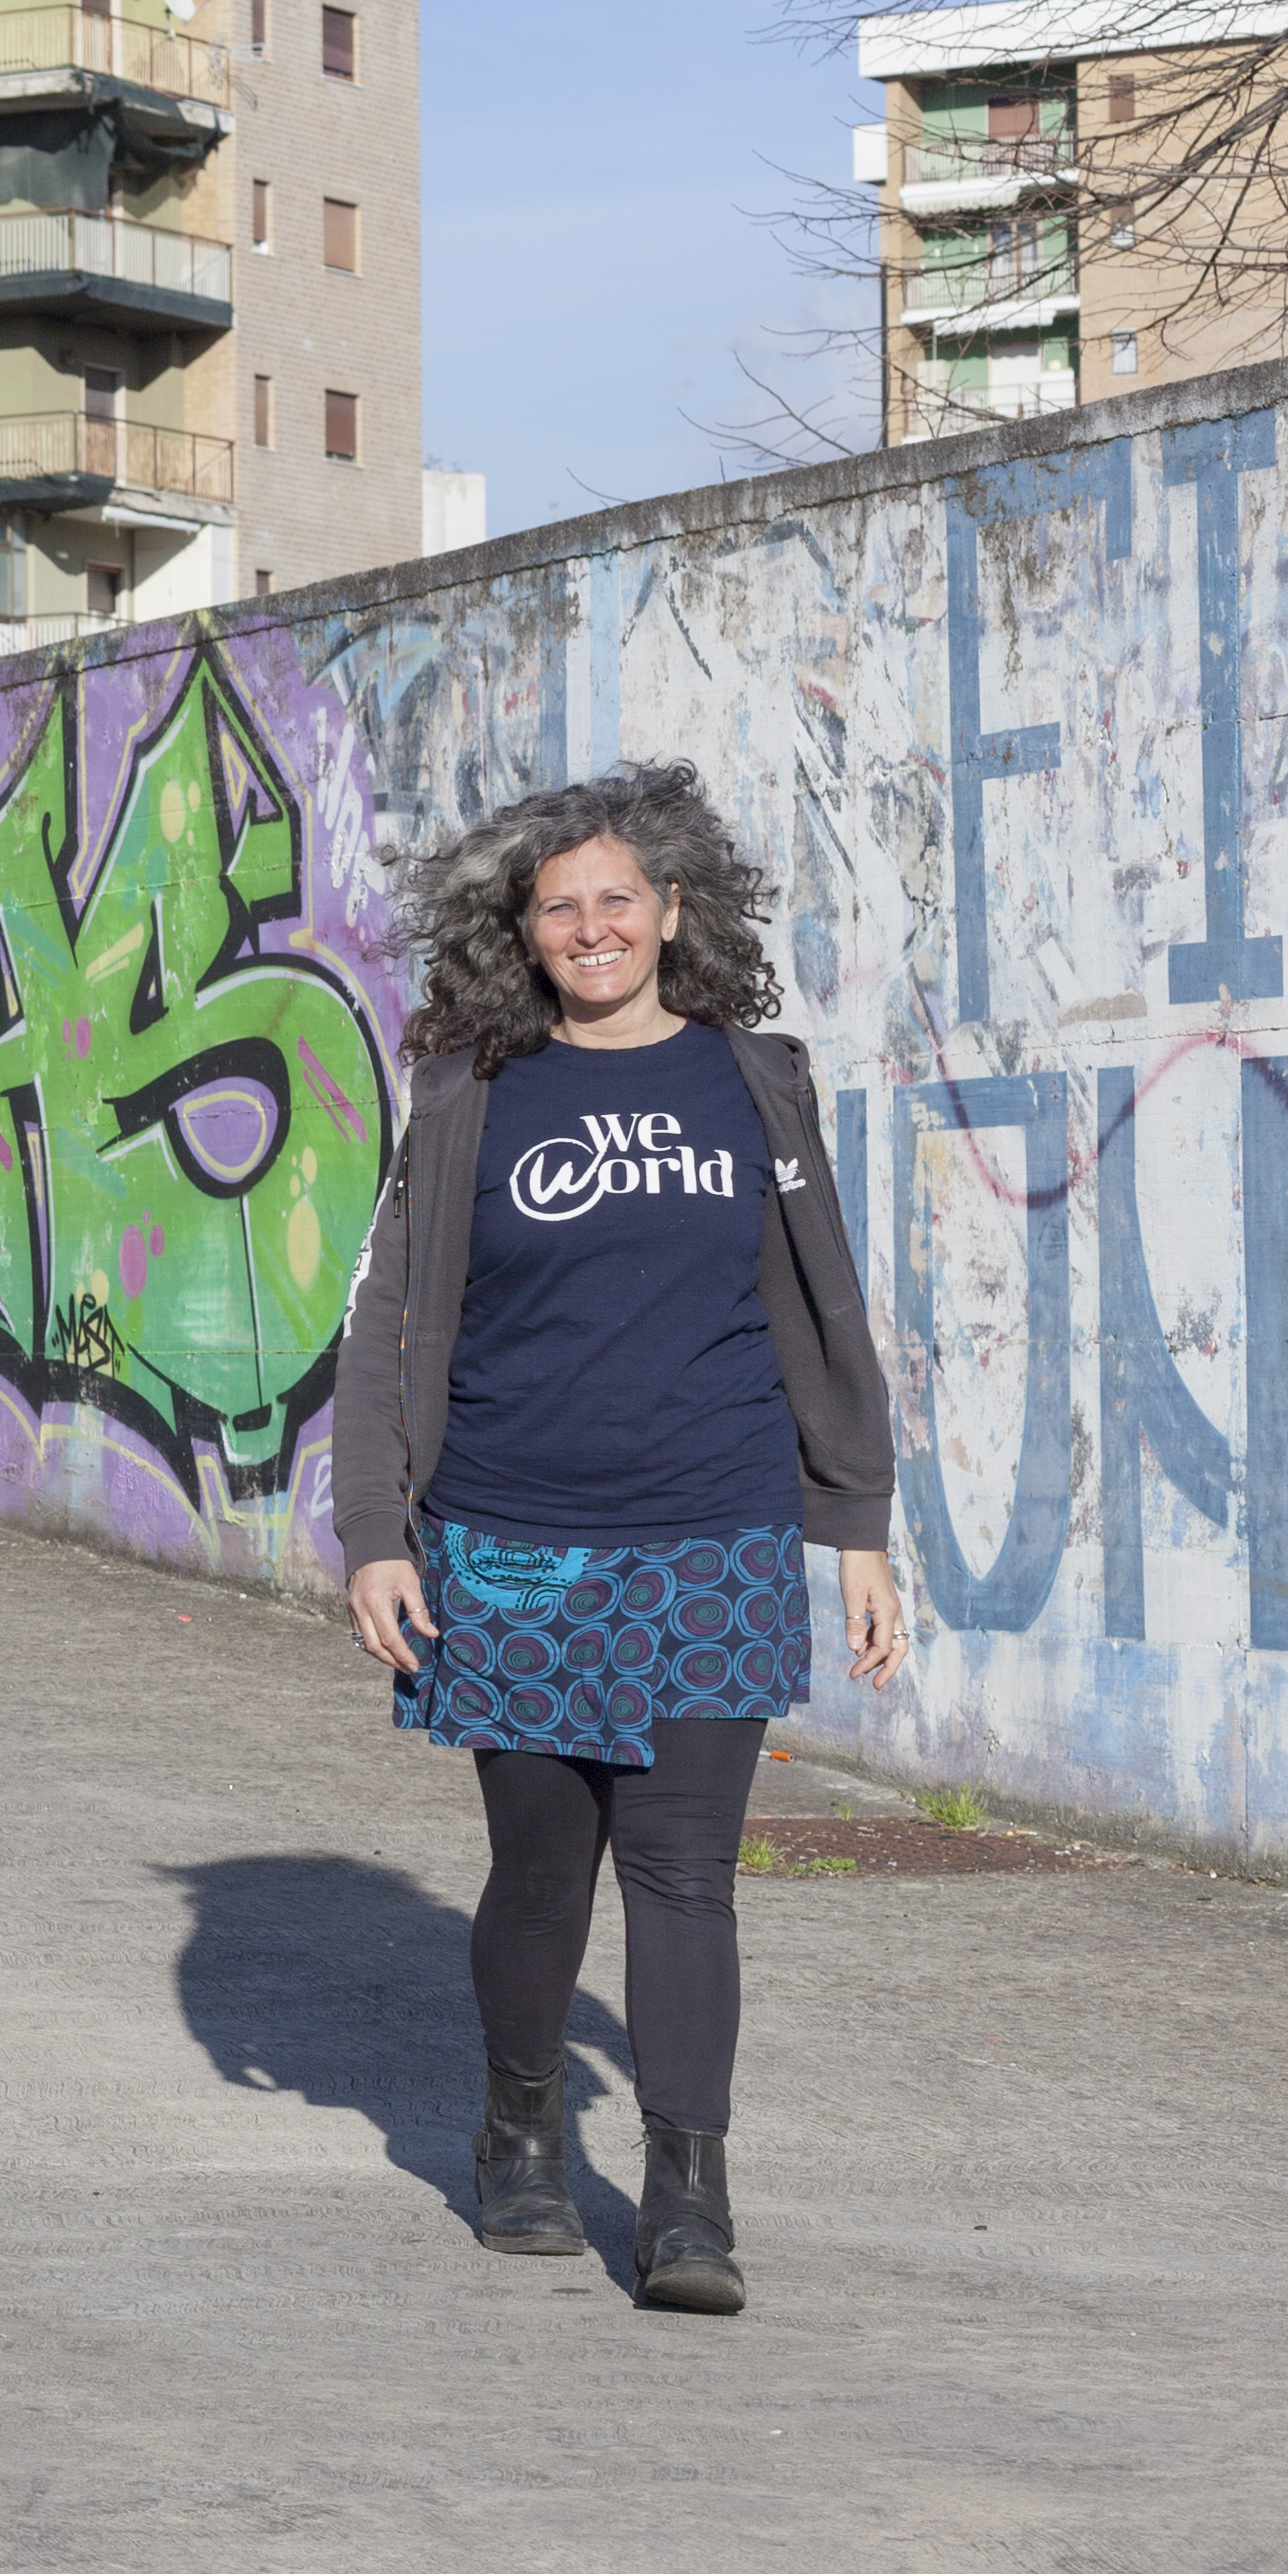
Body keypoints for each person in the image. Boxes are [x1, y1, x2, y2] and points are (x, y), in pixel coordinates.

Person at [328, 762, 902, 2318]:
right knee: (541, 1868)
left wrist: (855, 1522)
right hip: (510, 1537)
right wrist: (376, 1529)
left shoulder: (754, 1081)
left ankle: (689, 2196)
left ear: (672, 909)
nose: (591, 927)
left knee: (686, 1867)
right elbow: (388, 1320)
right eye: (559, 905)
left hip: (714, 1530)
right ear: (519, 930)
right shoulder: (469, 1091)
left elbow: (823, 1305)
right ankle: (520, 2128)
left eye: (617, 899)